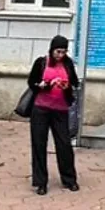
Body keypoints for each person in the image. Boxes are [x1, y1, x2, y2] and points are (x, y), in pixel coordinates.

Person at [25, 35, 79, 195]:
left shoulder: (68, 63)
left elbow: (75, 82)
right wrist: (46, 85)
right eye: (57, 51)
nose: (60, 55)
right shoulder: (41, 62)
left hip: (60, 110)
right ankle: (41, 182)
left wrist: (66, 85)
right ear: (52, 50)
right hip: (40, 109)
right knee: (39, 144)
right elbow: (32, 83)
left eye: (63, 52)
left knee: (64, 144)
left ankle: (69, 179)